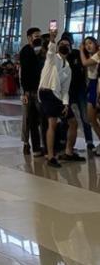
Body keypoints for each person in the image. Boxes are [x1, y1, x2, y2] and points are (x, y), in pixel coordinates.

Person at [38, 29, 85, 168]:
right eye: (62, 44)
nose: (65, 46)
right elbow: (50, 50)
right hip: (47, 93)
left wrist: (65, 104)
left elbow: (65, 89)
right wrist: (52, 38)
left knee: (73, 122)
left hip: (58, 96)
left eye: (67, 45)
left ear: (70, 49)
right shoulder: (52, 59)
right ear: (58, 47)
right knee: (52, 123)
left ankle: (68, 152)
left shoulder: (68, 68)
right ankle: (51, 156)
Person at [65, 35, 95, 152]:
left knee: (85, 116)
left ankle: (89, 141)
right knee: (67, 117)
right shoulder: (60, 57)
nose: (65, 46)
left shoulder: (77, 53)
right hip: (67, 91)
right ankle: (65, 142)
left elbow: (86, 66)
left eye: (67, 44)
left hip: (81, 90)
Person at [19, 26, 45, 156]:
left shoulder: (41, 51)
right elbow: (23, 72)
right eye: (36, 36)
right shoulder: (25, 51)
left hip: (40, 90)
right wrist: (23, 92)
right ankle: (25, 143)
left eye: (40, 36)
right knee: (27, 118)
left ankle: (39, 146)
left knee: (39, 119)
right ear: (29, 38)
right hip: (28, 91)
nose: (38, 39)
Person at [79, 36, 100, 155]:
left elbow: (85, 63)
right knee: (92, 118)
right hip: (92, 86)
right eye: (86, 44)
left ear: (96, 43)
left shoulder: (98, 54)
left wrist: (81, 50)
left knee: (92, 117)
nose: (88, 46)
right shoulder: (92, 55)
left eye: (90, 43)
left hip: (97, 86)